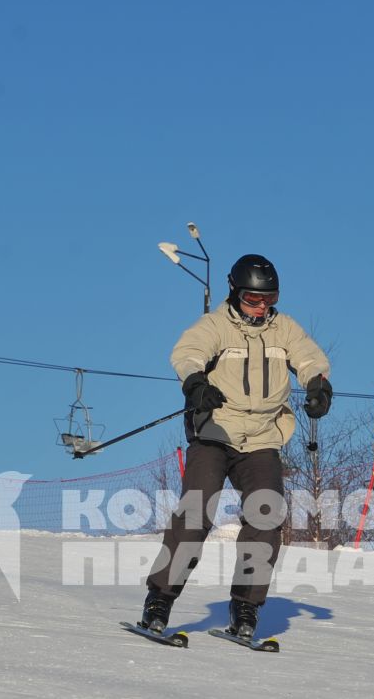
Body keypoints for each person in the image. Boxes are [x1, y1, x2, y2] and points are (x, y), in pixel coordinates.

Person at [140, 254, 332, 641]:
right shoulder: (215, 326)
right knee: (196, 513)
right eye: (252, 299)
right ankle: (159, 599)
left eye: (269, 299)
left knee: (266, 516)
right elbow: (188, 353)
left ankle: (246, 607)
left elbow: (311, 358)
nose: (261, 307)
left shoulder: (284, 329)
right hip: (215, 433)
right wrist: (197, 384)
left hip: (261, 437)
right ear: (234, 293)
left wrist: (318, 385)